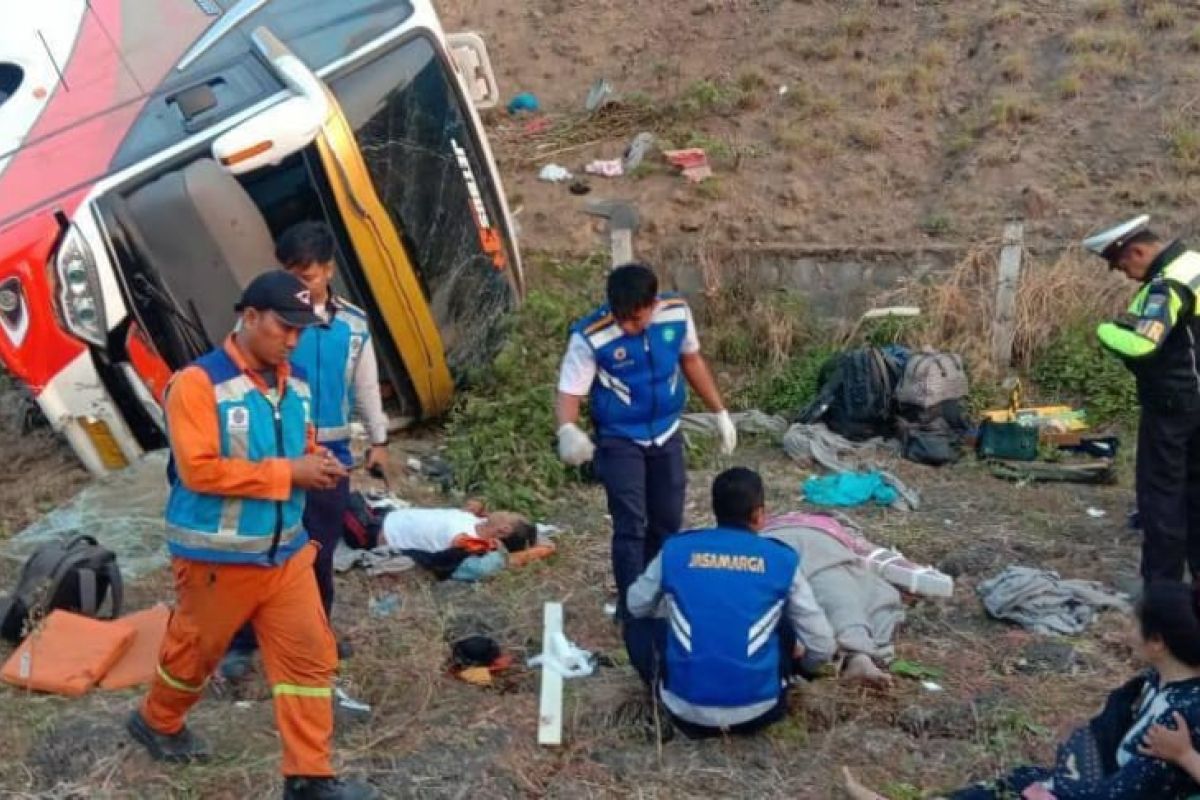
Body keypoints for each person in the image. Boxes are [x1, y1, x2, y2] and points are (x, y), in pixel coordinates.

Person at [126, 271, 376, 800]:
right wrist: (291, 473)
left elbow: (301, 441)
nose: (292, 340)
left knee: (310, 656)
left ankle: (309, 778)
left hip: (285, 554)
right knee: (197, 653)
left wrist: (318, 460)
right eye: (284, 328)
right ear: (250, 317)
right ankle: (157, 720)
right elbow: (199, 471)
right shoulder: (196, 384)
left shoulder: (296, 381)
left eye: (300, 331)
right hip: (217, 559)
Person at [845, 581, 1200, 800]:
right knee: (1019, 780)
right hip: (1109, 780)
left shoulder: (1184, 715)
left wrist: (1184, 756)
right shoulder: (1158, 680)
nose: (1126, 630)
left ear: (1157, 643)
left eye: (1134, 624)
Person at [223, 221, 390, 677]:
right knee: (260, 545)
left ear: (329, 270)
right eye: (290, 275)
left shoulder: (352, 324)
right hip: (273, 448)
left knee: (318, 548)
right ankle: (242, 642)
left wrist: (379, 439)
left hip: (329, 449)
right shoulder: (261, 319)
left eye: (308, 276)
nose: (299, 286)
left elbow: (365, 383)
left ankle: (316, 635)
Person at [555, 263, 737, 618]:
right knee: (630, 524)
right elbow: (569, 392)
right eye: (621, 317)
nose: (627, 326)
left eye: (636, 319)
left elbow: (691, 359)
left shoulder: (677, 314)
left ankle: (658, 595)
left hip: (666, 432)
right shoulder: (591, 336)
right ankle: (631, 606)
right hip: (620, 438)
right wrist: (567, 429)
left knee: (667, 519)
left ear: (653, 304)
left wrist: (720, 412)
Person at [623, 467, 836, 738]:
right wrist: (804, 667)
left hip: (685, 714)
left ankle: (669, 685)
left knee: (635, 627)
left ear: (715, 510)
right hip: (761, 712)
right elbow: (823, 643)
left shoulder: (677, 550)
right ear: (759, 514)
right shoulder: (780, 558)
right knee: (780, 615)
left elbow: (635, 605)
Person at [1084, 216, 1200, 585]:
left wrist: (1105, 331)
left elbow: (1143, 344)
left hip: (1174, 405)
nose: (1124, 274)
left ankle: (1162, 591)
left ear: (1137, 250)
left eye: (1121, 265)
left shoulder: (1167, 287)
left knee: (1162, 497)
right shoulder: (1194, 265)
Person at [377, 504, 536, 554]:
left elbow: (461, 543)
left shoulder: (470, 540)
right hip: (388, 514)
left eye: (508, 514)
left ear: (505, 529)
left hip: (382, 530)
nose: (503, 511)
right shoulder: (478, 521)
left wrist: (493, 546)